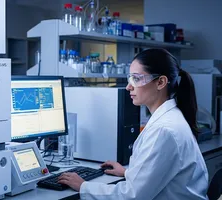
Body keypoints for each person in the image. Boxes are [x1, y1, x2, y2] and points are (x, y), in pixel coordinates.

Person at [58, 48, 209, 200]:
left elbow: (132, 196)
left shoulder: (164, 130)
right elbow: (159, 171)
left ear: (161, 82)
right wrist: (127, 172)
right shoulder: (170, 118)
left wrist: (83, 186)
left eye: (136, 79)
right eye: (130, 79)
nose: (128, 87)